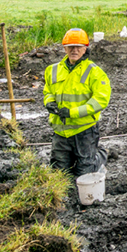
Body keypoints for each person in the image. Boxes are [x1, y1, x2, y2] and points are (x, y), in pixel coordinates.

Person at [43, 28, 111, 177]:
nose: (74, 50)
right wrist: (49, 102)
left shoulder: (94, 72)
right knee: (58, 173)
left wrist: (73, 113)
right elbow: (48, 91)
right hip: (60, 130)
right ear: (64, 48)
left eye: (78, 47)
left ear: (85, 48)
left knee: (84, 172)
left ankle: (101, 155)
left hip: (84, 130)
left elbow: (101, 100)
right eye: (71, 46)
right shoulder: (52, 70)